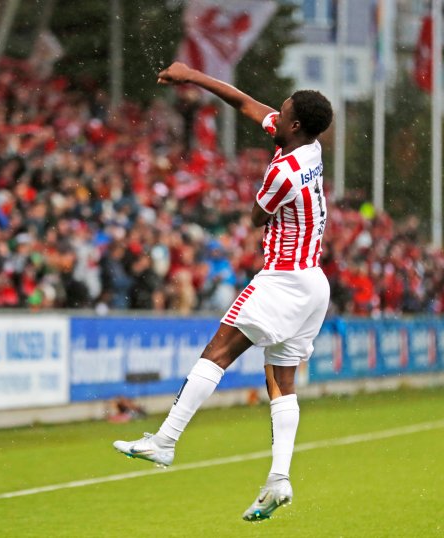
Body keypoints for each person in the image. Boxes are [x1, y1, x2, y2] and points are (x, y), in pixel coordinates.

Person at [113, 62, 333, 522]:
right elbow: (245, 104)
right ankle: (278, 479)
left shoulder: (285, 173)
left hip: (283, 278)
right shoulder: (308, 146)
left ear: (293, 125)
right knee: (281, 383)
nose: (275, 113)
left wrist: (263, 196)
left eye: (284, 110)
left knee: (217, 352)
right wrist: (193, 75)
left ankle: (165, 442)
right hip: (313, 282)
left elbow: (256, 217)